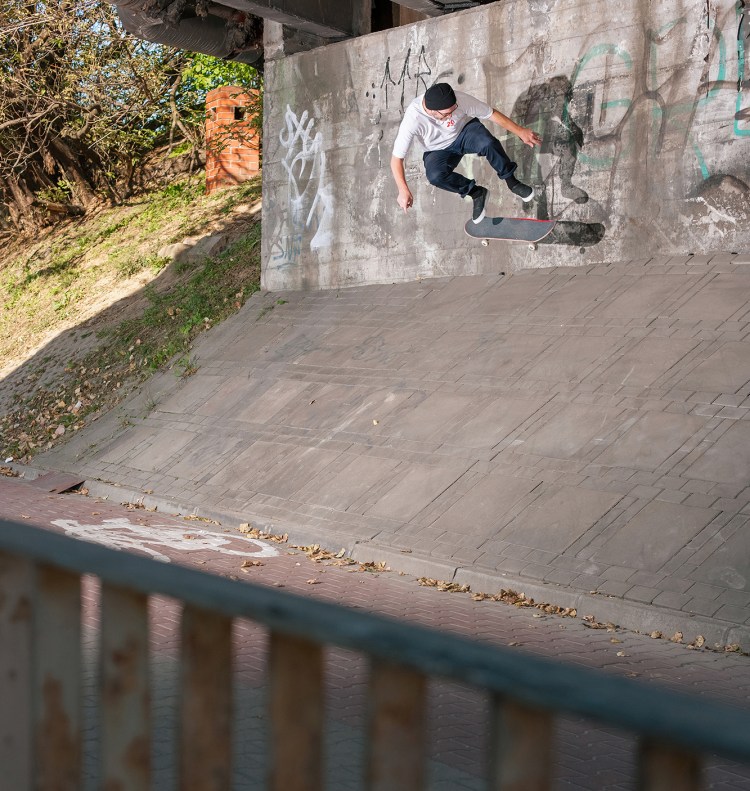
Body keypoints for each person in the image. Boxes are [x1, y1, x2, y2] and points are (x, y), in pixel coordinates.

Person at [390, 82, 542, 223]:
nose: (450, 116)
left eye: (453, 111)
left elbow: (491, 113)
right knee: (435, 176)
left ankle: (512, 182)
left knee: (487, 143)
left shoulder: (460, 100)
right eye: (446, 114)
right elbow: (396, 159)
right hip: (438, 149)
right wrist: (403, 189)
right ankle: (477, 193)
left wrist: (520, 131)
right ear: (431, 111)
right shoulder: (413, 118)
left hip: (465, 132)